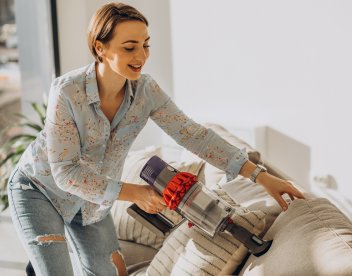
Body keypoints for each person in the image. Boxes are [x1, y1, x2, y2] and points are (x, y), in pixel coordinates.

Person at [7, 2, 305, 276]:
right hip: (39, 190)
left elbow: (194, 135)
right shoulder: (67, 92)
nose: (141, 56)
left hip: (92, 203)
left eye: (146, 45)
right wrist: (135, 193)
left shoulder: (146, 92)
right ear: (100, 48)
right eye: (129, 47)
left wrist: (260, 176)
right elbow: (65, 173)